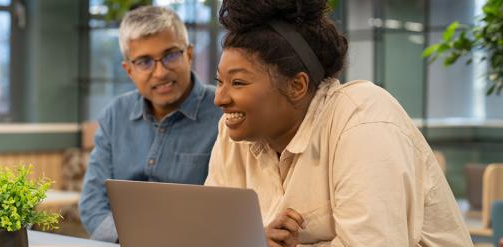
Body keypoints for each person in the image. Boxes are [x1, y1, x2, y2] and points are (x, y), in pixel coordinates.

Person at [205, 0, 473, 246]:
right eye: (219, 82)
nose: (220, 98)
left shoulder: (363, 121)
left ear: (297, 85)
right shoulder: (233, 135)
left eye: (238, 83)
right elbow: (211, 235)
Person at [79, 5, 222, 243]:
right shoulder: (115, 115)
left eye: (171, 55)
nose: (160, 72)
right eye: (144, 61)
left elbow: (228, 209)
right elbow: (93, 201)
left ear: (189, 54)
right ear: (128, 69)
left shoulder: (224, 114)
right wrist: (134, 239)